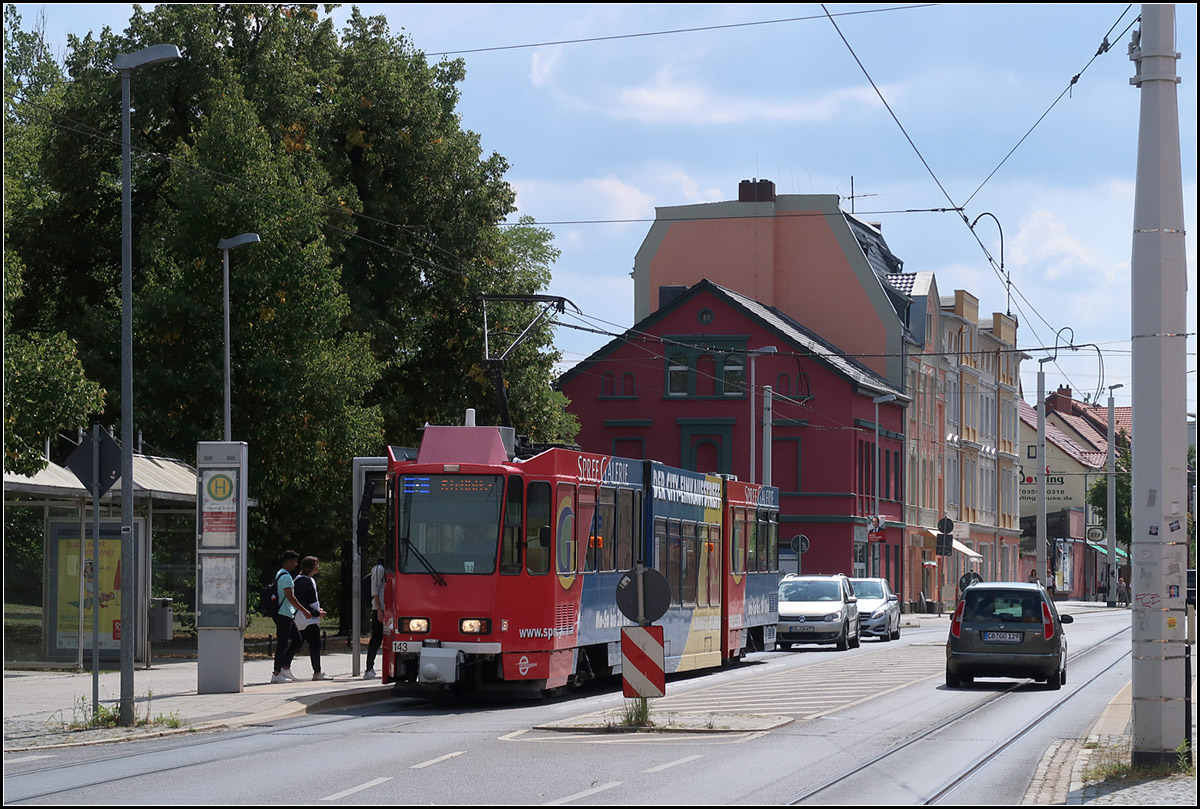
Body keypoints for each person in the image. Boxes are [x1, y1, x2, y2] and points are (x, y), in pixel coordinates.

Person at [271, 550, 309, 684]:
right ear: (288, 561)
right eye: (294, 561)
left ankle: (285, 667)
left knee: (297, 640)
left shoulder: (279, 574)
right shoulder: (286, 577)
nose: (296, 564)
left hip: (286, 613)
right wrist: (304, 611)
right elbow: (290, 597)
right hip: (284, 613)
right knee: (282, 643)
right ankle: (276, 673)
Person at [292, 555, 331, 680]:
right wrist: (315, 613)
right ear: (310, 567)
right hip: (306, 618)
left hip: (308, 617)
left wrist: (316, 611)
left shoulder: (308, 579)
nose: (317, 567)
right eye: (316, 565)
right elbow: (302, 601)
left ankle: (283, 666)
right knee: (315, 644)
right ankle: (317, 672)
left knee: (298, 643)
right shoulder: (303, 581)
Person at [364, 557, 386, 679]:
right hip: (380, 607)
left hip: (385, 607)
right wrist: (378, 609)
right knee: (376, 638)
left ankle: (371, 667)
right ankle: (369, 668)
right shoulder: (379, 569)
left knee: (379, 638)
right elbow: (375, 590)